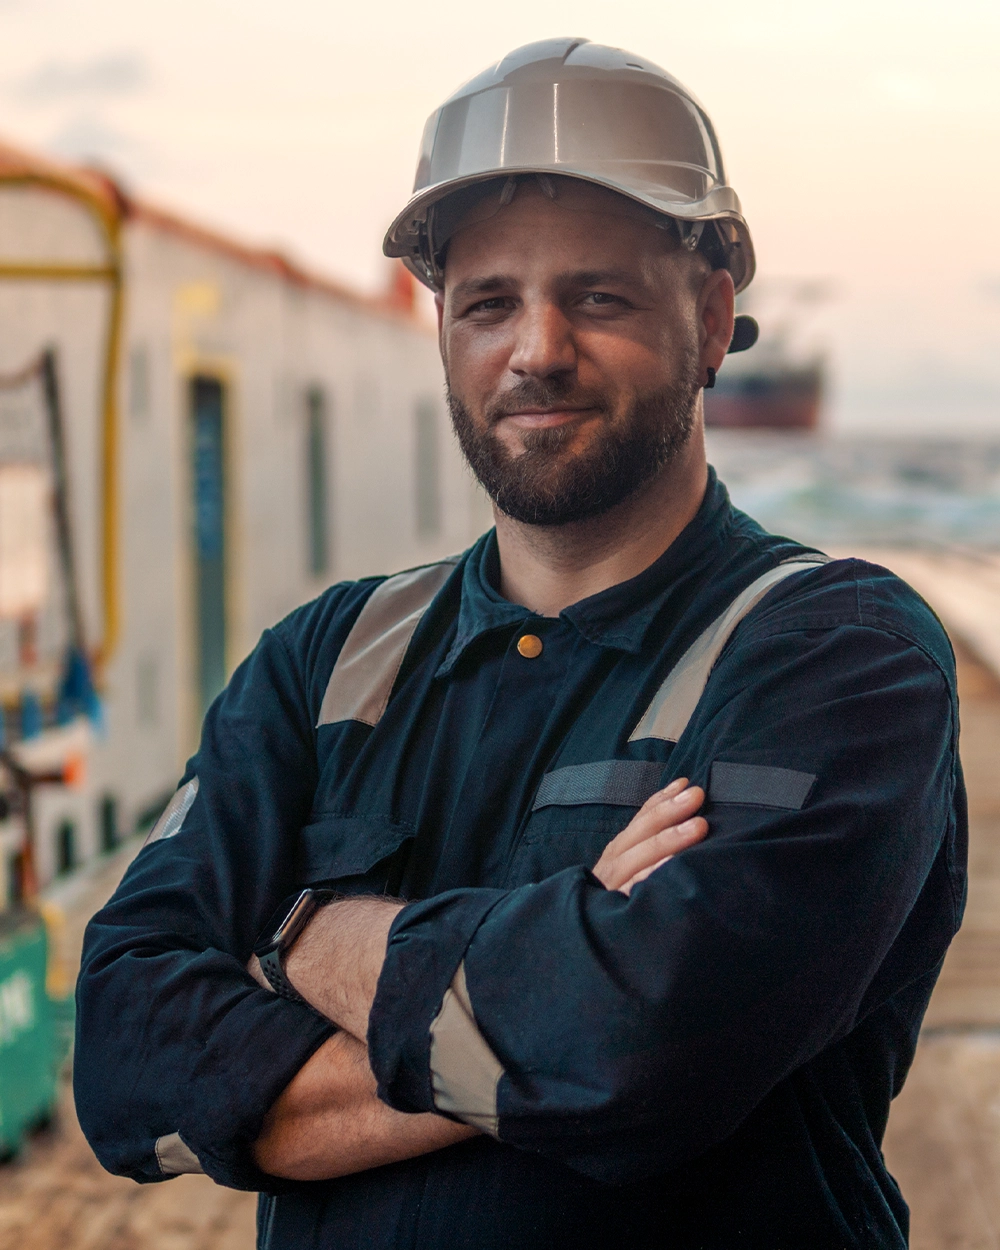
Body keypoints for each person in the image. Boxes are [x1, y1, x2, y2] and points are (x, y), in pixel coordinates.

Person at [75, 39, 965, 1250]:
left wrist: (292, 931)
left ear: (710, 319)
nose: (536, 349)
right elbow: (128, 1058)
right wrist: (553, 968)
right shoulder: (326, 659)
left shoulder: (838, 658)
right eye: (489, 302)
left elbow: (640, 1051)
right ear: (443, 328)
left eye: (597, 296)